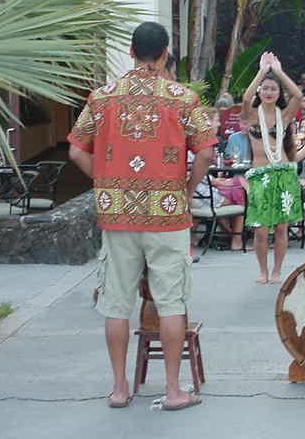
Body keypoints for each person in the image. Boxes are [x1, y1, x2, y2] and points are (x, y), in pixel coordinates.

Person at [68, 21, 216, 410]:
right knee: (171, 302)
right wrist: (186, 191)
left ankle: (119, 389)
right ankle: (173, 390)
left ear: (131, 52)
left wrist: (105, 182)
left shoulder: (102, 98)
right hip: (167, 215)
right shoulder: (182, 99)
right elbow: (205, 152)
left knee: (116, 303)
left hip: (117, 215)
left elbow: (76, 151)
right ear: (165, 54)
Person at [242, 52, 303, 285]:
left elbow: (297, 95)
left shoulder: (284, 116)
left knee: (281, 228)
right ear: (260, 91)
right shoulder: (251, 115)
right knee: (260, 229)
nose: (269, 92)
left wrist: (278, 72)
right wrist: (261, 72)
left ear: (278, 94)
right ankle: (263, 271)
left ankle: (277, 271)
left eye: (273, 89)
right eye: (265, 89)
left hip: (283, 175)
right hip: (260, 176)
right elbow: (246, 98)